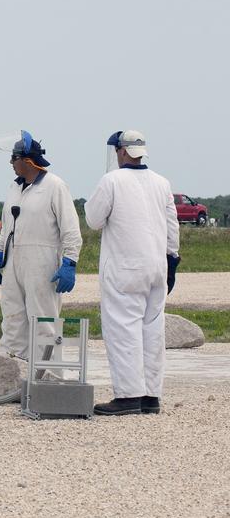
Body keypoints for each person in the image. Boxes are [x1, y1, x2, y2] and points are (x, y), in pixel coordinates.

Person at [85, 130, 180, 416]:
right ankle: (151, 396)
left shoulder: (111, 180)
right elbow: (172, 225)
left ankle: (128, 396)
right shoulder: (162, 183)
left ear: (122, 152)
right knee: (153, 331)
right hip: (157, 266)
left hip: (124, 268)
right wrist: (172, 261)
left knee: (123, 329)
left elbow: (93, 220)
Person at [0, 131, 82, 371]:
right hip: (13, 261)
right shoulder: (14, 188)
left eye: (13, 158)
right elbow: (7, 229)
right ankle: (11, 374)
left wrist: (69, 263)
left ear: (27, 160)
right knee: (13, 318)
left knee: (44, 321)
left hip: (43, 263)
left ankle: (49, 376)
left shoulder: (54, 186)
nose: (10, 163)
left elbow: (71, 230)